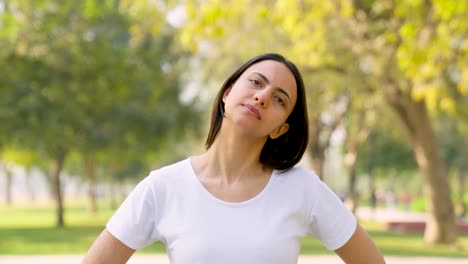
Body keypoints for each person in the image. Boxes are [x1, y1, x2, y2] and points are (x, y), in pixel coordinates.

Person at [82, 53, 386, 264]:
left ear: (281, 128)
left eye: (280, 99)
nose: (263, 96)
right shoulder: (163, 187)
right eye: (256, 82)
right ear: (228, 91)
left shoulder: (302, 189)